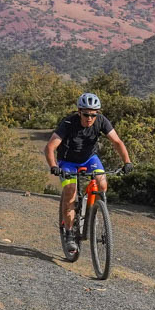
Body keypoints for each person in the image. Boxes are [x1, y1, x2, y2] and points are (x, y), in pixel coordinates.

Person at [46, 92, 132, 258]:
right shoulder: (68, 123)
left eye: (93, 114)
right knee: (70, 191)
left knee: (102, 184)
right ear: (79, 112)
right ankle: (69, 232)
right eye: (86, 114)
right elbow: (50, 147)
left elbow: (117, 142)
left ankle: (94, 210)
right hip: (68, 161)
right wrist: (54, 166)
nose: (90, 118)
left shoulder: (101, 121)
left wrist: (127, 162)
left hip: (89, 159)